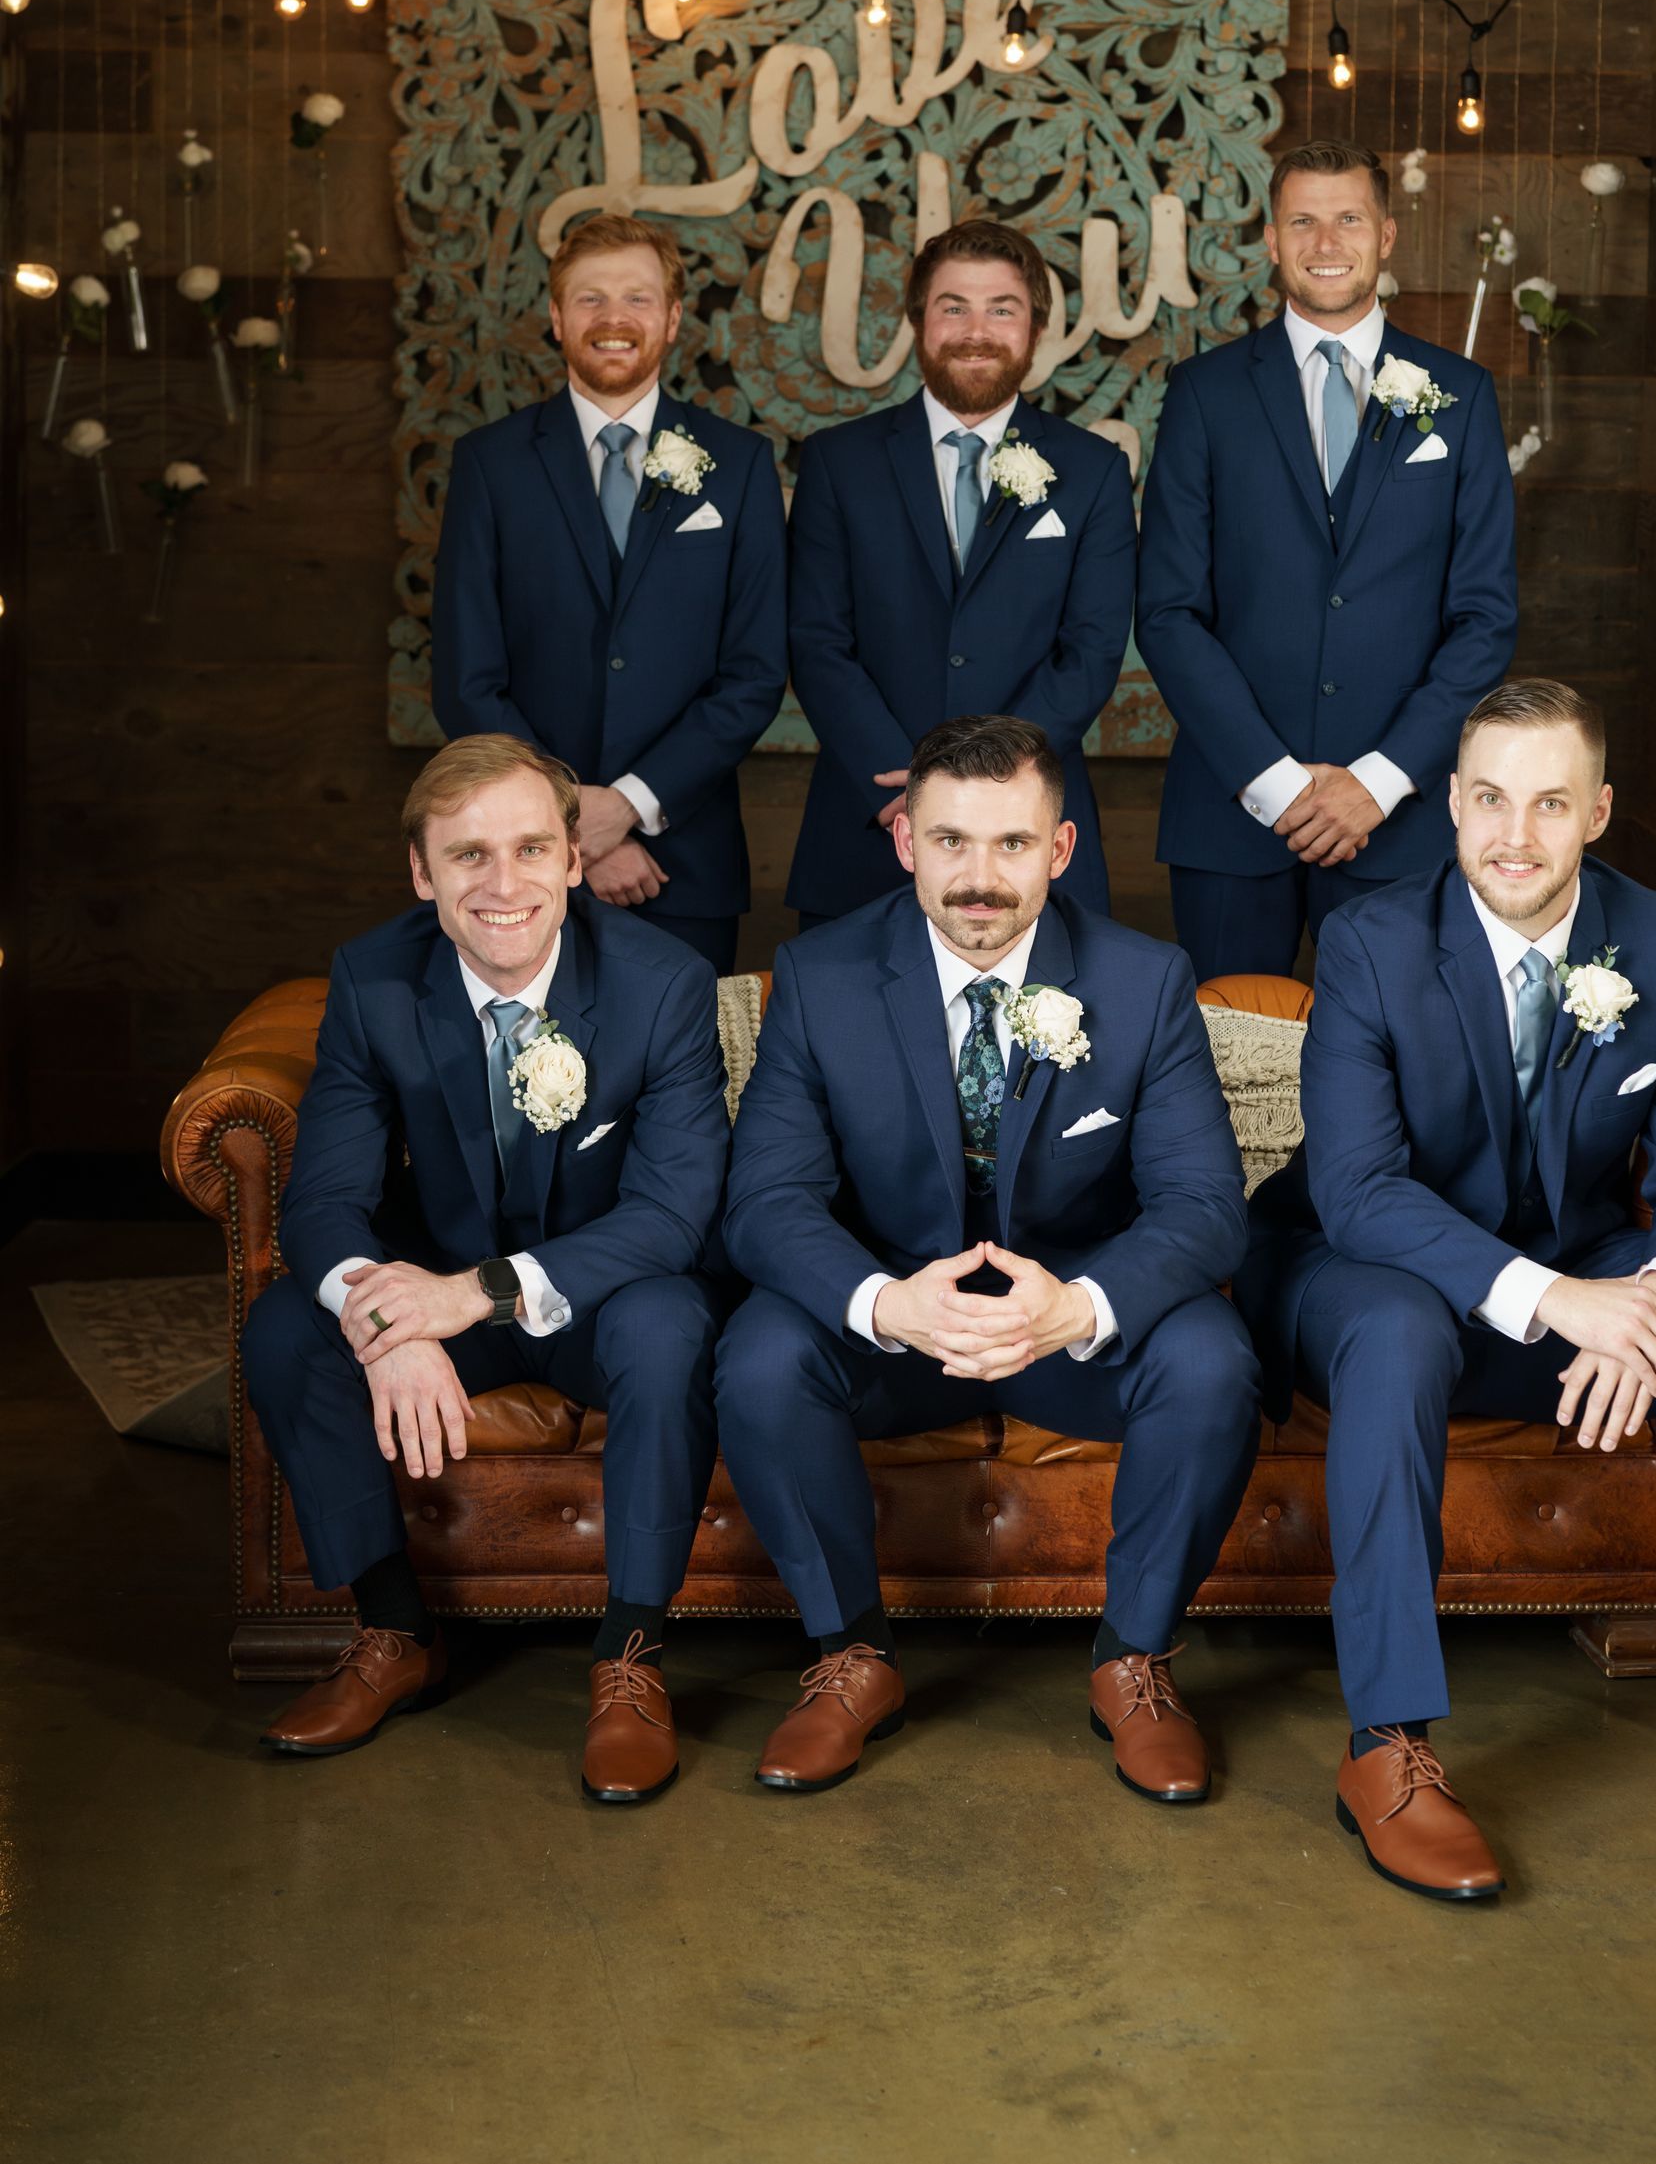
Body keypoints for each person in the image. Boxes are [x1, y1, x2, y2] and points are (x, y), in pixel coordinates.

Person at [1235, 679, 1656, 1900]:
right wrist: (1560, 1301)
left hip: (1583, 1279)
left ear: (1597, 812)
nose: (1516, 834)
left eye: (1551, 803)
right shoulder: (1370, 942)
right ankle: (1387, 1744)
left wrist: (1652, 1296)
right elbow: (1357, 1190)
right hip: (1367, 1276)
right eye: (1492, 799)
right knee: (1395, 1328)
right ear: (1452, 804)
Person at [719, 713, 1261, 1802]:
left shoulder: (1145, 980)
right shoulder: (820, 976)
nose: (979, 877)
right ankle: (850, 1653)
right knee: (760, 1356)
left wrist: (1079, 1305)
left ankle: (1134, 1660)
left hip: (1067, 1323)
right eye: (951, 840)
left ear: (1060, 849)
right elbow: (766, 1201)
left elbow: (1205, 1206)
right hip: (897, 1322)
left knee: (1212, 1359)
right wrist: (884, 1302)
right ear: (905, 842)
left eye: (1012, 842)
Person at [243, 734, 732, 1806]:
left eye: (530, 849)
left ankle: (631, 1656)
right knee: (284, 1330)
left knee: (669, 1327)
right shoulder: (374, 979)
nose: (502, 884)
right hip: (437, 1290)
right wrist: (386, 1320)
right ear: (423, 874)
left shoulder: (663, 984)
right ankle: (395, 1633)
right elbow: (322, 1200)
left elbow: (670, 1215)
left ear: (574, 859)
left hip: (605, 1295)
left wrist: (466, 1296)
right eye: (468, 855)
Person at [1137, 138, 1517, 984]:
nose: (1326, 242)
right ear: (1272, 240)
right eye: (1302, 221)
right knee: (1228, 1049)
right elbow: (1167, 611)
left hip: (1402, 818)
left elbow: (1485, 617)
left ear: (1386, 235)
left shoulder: (1460, 396)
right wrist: (1275, 783)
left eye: (1348, 218)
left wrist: (1377, 782)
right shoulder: (1204, 393)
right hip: (1232, 815)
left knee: (1404, 1048)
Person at [433, 210, 787, 977]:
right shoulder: (490, 465)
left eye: (637, 298)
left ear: (672, 319)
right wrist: (568, 826)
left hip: (685, 865)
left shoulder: (740, 465)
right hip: (516, 873)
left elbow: (755, 674)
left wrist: (627, 805)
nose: (613, 318)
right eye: (590, 298)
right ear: (557, 316)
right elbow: (467, 680)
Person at [785, 218, 1137, 928]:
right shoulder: (837, 462)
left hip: (1030, 821)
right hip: (872, 817)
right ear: (918, 322)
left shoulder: (1094, 470)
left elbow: (1091, 649)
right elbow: (817, 641)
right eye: (954, 307)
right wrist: (902, 790)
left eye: (1001, 309)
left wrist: (995, 784)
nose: (976, 332)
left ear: (1036, 328)